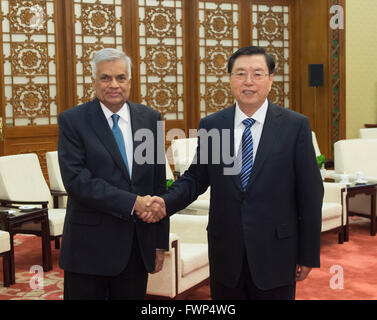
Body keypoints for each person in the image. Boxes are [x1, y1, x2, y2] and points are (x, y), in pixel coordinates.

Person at [139, 46, 323, 300]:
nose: (248, 81)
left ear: (271, 80)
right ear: (229, 79)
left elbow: (311, 193)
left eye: (257, 74)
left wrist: (308, 253)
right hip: (226, 251)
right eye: (240, 74)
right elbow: (196, 179)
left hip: (277, 252)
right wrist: (164, 202)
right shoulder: (214, 125)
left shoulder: (295, 126)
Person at [58, 48, 168, 300]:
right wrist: (133, 202)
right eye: (105, 78)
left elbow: (157, 184)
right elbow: (77, 182)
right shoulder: (73, 121)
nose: (113, 85)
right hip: (88, 250)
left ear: (130, 80)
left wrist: (160, 243)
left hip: (135, 247)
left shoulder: (150, 119)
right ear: (93, 81)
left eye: (120, 77)